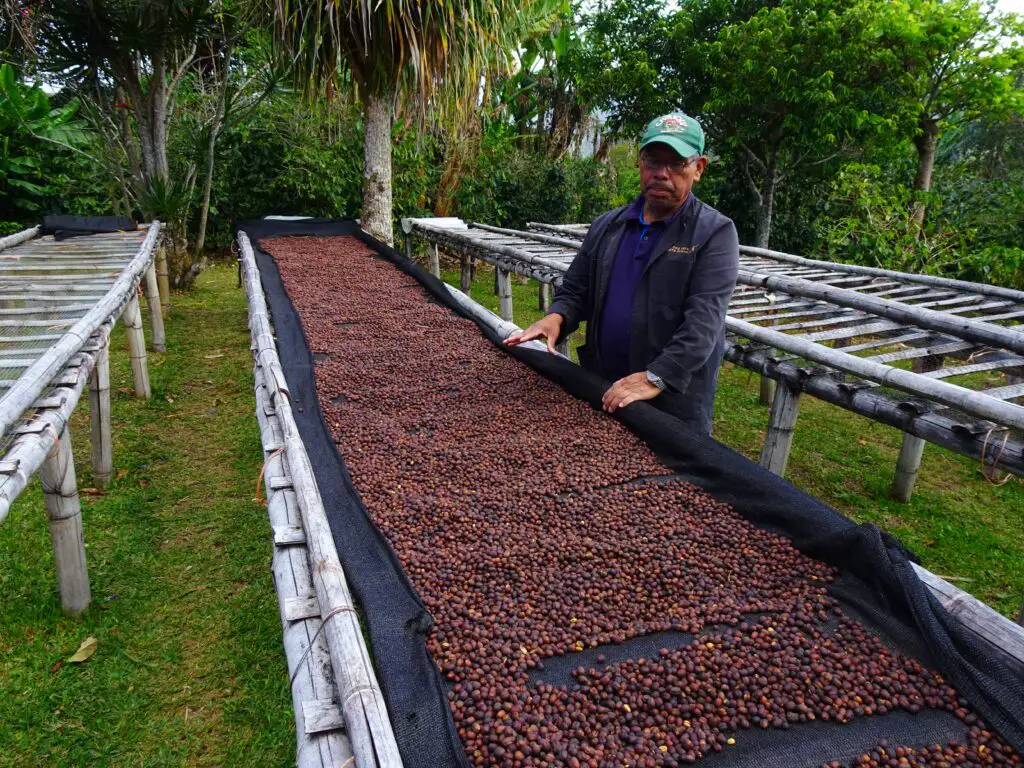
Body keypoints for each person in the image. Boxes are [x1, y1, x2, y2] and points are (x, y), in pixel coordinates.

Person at [504, 112, 739, 434]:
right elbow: (576, 289)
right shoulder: (608, 225)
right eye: (653, 162)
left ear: (698, 168)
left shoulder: (714, 232)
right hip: (603, 384)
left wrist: (658, 375)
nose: (662, 174)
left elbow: (704, 321)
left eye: (676, 164)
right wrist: (555, 317)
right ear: (639, 163)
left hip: (669, 398)